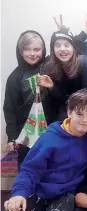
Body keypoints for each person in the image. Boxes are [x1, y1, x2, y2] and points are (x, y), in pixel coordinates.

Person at [1, 89, 87, 211]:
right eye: (79, 114)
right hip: (37, 190)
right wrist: (18, 194)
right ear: (69, 112)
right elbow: (30, 170)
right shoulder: (50, 139)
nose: (85, 120)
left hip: (65, 193)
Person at [3, 30, 56, 168]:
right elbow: (9, 109)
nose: (32, 54)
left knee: (51, 166)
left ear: (43, 49)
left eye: (37, 49)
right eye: (27, 49)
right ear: (20, 51)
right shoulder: (15, 77)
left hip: (52, 129)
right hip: (27, 133)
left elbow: (67, 49)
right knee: (28, 167)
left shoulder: (51, 66)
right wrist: (12, 137)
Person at [38, 27, 87, 120]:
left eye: (66, 45)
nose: (62, 49)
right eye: (57, 45)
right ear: (53, 49)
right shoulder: (49, 65)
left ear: (73, 47)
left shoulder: (83, 62)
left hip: (82, 108)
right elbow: (60, 99)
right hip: (62, 108)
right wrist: (52, 87)